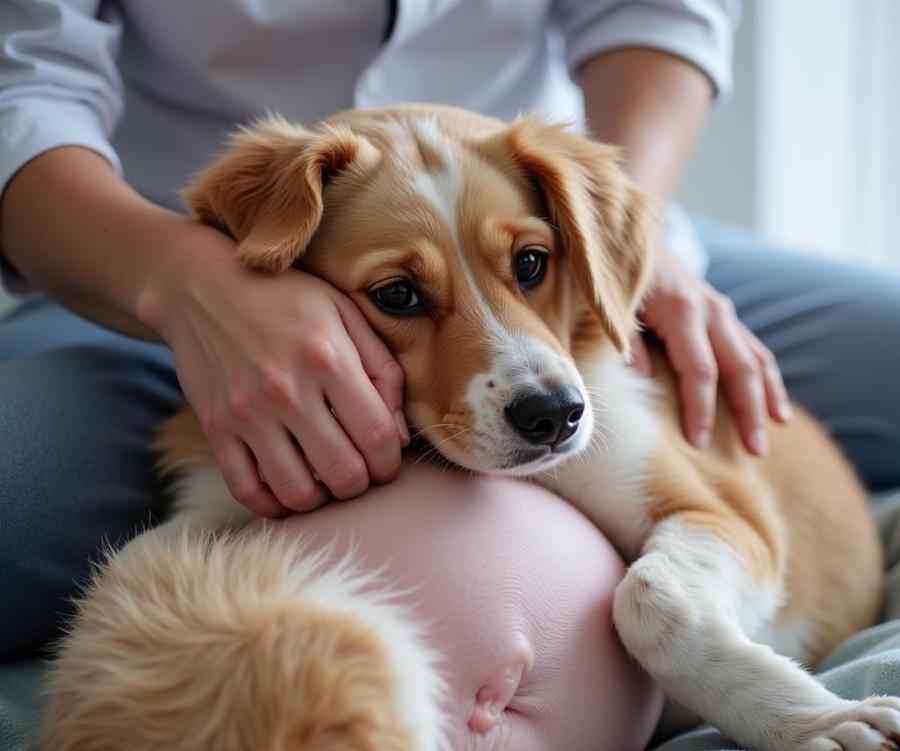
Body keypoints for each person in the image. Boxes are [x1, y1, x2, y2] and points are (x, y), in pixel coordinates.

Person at [1, 0, 898, 664]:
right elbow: (23, 86)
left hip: (571, 215)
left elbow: (654, 11)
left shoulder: (576, 243)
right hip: (147, 277)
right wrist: (182, 281)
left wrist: (627, 241)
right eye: (399, 296)